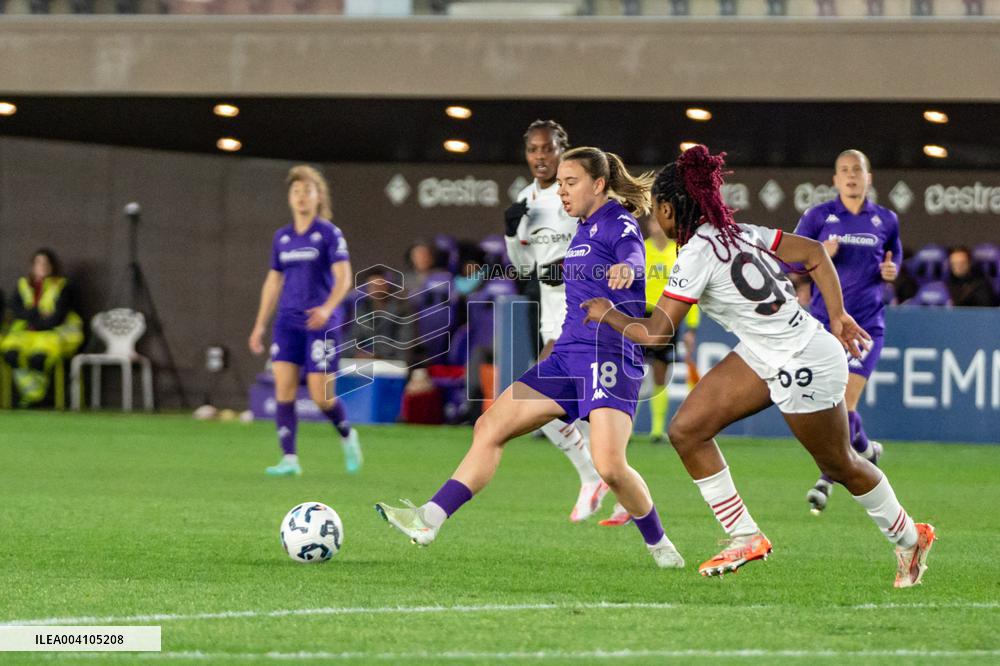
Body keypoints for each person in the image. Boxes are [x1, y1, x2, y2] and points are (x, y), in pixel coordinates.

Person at [582, 145, 934, 587]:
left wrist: (606, 314)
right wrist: (839, 314)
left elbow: (656, 333)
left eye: (659, 211)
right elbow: (815, 255)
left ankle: (909, 537)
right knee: (687, 430)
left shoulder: (694, 253)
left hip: (802, 360)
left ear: (671, 209)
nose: (657, 220)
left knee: (841, 464)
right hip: (769, 349)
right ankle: (744, 535)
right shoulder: (738, 231)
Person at [375, 147, 686, 569]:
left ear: (598, 184)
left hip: (607, 355)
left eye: (570, 182)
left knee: (611, 465)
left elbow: (632, 255)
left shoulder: (619, 222)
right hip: (566, 356)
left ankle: (660, 543)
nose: (561, 191)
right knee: (489, 425)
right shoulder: (582, 228)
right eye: (559, 183)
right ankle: (429, 519)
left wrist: (627, 270)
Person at [502, 120, 609, 522]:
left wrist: (569, 266)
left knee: (536, 397)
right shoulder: (525, 198)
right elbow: (523, 268)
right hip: (552, 313)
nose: (540, 157)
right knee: (558, 404)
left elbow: (602, 242)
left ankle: (595, 475)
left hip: (586, 307)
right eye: (533, 149)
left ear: (563, 148)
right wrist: (512, 234)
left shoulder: (579, 190)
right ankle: (606, 479)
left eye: (548, 148)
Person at [794, 150, 901, 513]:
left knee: (844, 403)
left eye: (858, 170)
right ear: (835, 180)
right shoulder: (818, 217)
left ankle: (826, 478)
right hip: (825, 326)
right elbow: (790, 260)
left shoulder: (885, 219)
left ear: (868, 178)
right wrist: (819, 254)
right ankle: (866, 450)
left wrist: (891, 272)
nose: (852, 176)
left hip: (866, 326)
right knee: (829, 406)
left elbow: (894, 257)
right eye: (844, 171)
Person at [248, 165, 362, 476]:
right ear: (289, 198)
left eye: (307, 191)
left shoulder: (328, 233)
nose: (301, 197)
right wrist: (260, 324)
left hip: (320, 322)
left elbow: (343, 278)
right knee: (283, 390)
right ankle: (289, 459)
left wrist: (327, 308)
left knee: (320, 396)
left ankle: (348, 435)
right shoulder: (282, 237)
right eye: (296, 191)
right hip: (287, 322)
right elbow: (273, 282)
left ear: (318, 197)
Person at [598, 217, 701, 527]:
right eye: (652, 221)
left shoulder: (678, 251)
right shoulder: (638, 250)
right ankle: (623, 433)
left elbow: (689, 289)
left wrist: (691, 327)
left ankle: (657, 429)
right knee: (631, 373)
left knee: (660, 373)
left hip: (668, 315)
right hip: (638, 314)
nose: (656, 225)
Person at [1, 249, 83, 406]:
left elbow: (57, 317)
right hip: (25, 334)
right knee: (11, 354)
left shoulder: (62, 286)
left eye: (45, 263)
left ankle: (37, 398)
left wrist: (33, 318)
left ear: (53, 266)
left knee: (38, 358)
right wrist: (37, 314)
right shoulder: (23, 285)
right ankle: (31, 394)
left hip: (51, 335)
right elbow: (15, 309)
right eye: (38, 263)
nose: (42, 266)